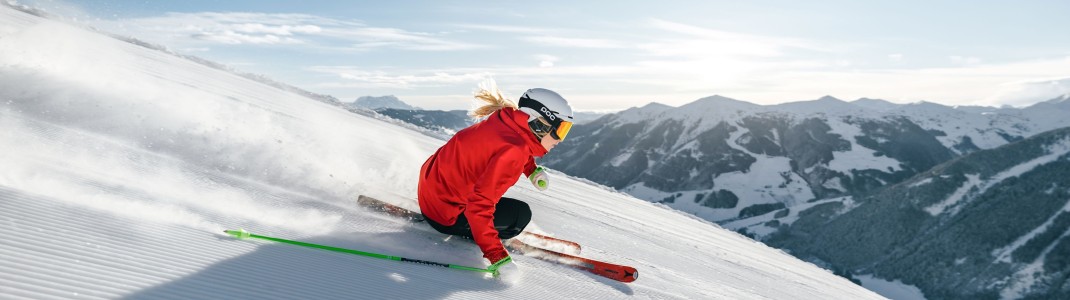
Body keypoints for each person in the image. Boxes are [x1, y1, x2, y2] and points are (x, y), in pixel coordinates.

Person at [417, 82, 574, 278]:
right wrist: (497, 256)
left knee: (499, 203)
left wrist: (531, 170)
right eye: (561, 130)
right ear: (539, 124)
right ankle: (480, 234)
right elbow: (478, 207)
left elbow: (502, 148)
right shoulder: (514, 152)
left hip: (430, 194)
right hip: (444, 217)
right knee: (520, 215)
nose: (560, 140)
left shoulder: (503, 121)